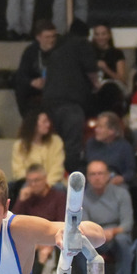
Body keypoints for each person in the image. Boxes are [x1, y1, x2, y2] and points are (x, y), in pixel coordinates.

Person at [41, 24, 98, 174]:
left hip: (49, 103)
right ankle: (72, 178)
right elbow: (91, 69)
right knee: (72, 145)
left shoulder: (56, 48)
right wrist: (96, 85)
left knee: (53, 144)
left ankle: (54, 175)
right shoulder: (81, 44)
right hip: (71, 103)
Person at [81, 160, 133, 274]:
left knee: (123, 240)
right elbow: (83, 225)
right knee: (79, 243)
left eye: (100, 173)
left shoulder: (121, 193)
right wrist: (99, 233)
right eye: (93, 174)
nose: (97, 177)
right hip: (93, 236)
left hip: (115, 236)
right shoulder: (83, 197)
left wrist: (112, 232)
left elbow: (127, 223)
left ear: (108, 175)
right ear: (87, 177)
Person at [13, 19, 58, 118]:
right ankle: (28, 119)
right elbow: (22, 74)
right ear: (38, 37)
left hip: (56, 86)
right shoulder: (31, 52)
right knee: (20, 86)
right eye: (47, 37)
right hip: (37, 87)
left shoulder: (61, 50)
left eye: (53, 36)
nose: (51, 40)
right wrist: (32, 82)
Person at [11, 111, 65, 189]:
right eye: (44, 121)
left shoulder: (56, 141)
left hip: (51, 184)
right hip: (29, 184)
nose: (48, 124)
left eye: (48, 121)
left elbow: (58, 168)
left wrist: (45, 185)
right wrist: (34, 183)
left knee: (59, 188)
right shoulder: (19, 145)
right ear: (34, 124)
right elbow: (18, 171)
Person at [83, 111, 135, 186]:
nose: (96, 130)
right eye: (97, 127)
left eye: (100, 127)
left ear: (112, 131)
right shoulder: (90, 143)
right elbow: (84, 166)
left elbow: (131, 171)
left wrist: (122, 178)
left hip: (115, 184)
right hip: (92, 184)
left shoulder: (124, 147)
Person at [89, 21, 127, 117]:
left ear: (109, 36)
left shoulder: (117, 53)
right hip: (94, 84)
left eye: (103, 34)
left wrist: (106, 68)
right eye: (97, 34)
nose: (100, 37)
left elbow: (122, 79)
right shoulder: (89, 53)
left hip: (112, 85)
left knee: (108, 90)